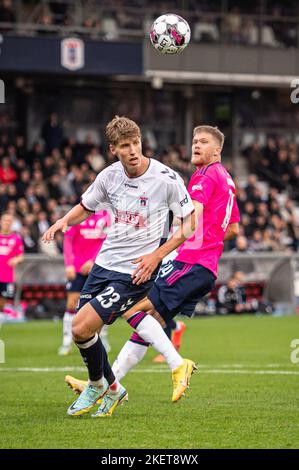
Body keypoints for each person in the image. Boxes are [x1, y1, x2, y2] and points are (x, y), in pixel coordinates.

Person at [66, 124, 240, 417]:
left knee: (131, 308)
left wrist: (167, 240)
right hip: (205, 265)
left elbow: (191, 216)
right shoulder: (227, 178)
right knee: (146, 320)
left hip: (189, 261)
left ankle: (175, 364)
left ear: (218, 150)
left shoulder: (205, 175)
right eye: (194, 140)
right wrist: (206, 241)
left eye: (203, 142)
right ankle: (109, 386)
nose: (196, 145)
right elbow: (232, 229)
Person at [42, 116, 197, 418]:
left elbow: (190, 223)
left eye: (136, 143)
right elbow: (86, 207)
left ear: (142, 142)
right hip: (103, 264)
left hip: (134, 272)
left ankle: (96, 384)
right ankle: (112, 389)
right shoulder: (109, 176)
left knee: (80, 326)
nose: (132, 150)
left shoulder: (166, 179)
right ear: (113, 149)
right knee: (83, 334)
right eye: (125, 146)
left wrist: (156, 256)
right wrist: (63, 220)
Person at [58, 211, 110, 356]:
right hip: (77, 268)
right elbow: (67, 242)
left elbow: (106, 242)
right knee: (71, 303)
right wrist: (68, 264)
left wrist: (93, 261)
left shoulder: (105, 217)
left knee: (100, 305)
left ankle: (102, 338)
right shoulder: (77, 216)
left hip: (98, 268)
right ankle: (66, 342)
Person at [0, 213, 24, 316]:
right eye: (5, 220)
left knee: (3, 301)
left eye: (9, 221)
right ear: (1, 222)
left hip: (6, 275)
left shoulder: (16, 238)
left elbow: (21, 256)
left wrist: (16, 260)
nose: (7, 223)